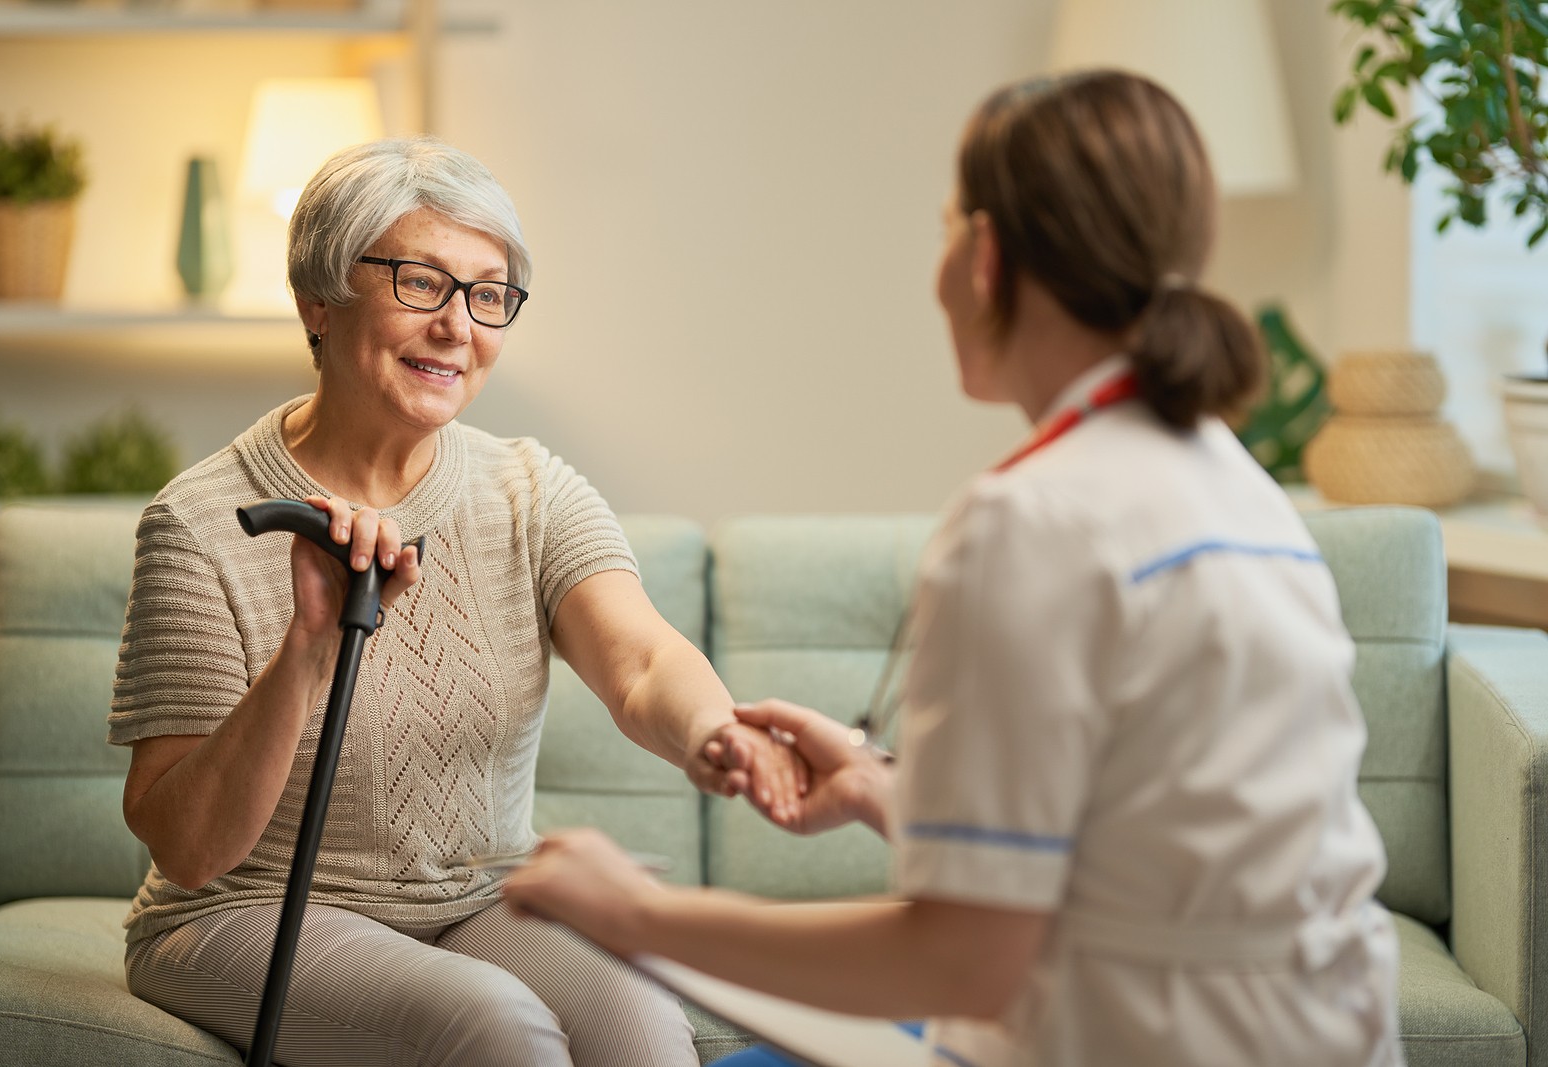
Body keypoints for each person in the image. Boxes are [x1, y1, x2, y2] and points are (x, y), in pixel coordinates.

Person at [504, 71, 1404, 1067]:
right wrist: (886, 790)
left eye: (943, 229)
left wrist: (637, 913)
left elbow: (962, 960)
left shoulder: (1033, 519)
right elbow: (1163, 838)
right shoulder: (1236, 483)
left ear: (984, 257)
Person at [106, 136, 804, 1067]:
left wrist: (719, 732)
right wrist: (311, 644)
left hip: (480, 900)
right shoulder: (201, 522)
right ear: (319, 298)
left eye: (488, 294)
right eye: (421, 282)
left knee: (638, 1022)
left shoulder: (530, 491)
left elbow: (641, 660)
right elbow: (189, 848)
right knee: (493, 1026)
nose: (459, 326)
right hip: (247, 912)